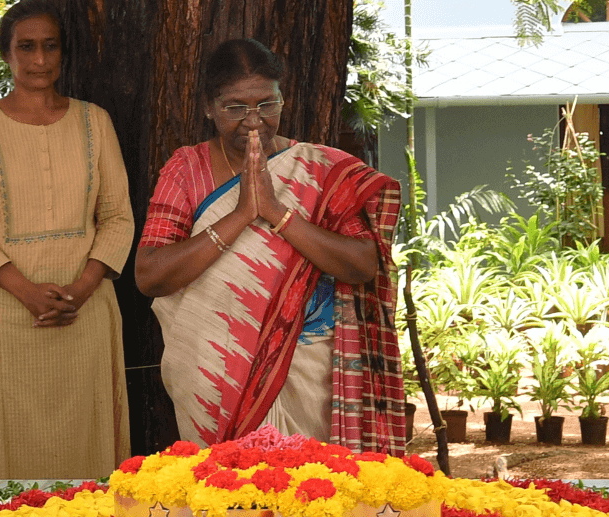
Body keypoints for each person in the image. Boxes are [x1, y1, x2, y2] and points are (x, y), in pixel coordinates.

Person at [135, 38, 406, 455]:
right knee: (230, 498)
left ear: (283, 99)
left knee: (312, 498)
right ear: (209, 107)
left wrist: (277, 212)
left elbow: (362, 264)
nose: (253, 121)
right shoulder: (187, 170)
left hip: (307, 369)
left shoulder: (321, 170)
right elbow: (150, 275)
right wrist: (243, 213)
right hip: (213, 373)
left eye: (267, 104)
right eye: (235, 107)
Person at [0, 0, 133, 479]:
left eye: (50, 46)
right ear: (7, 53)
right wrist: (28, 292)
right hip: (2, 318)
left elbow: (117, 218)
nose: (40, 60)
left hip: (85, 313)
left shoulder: (96, 122)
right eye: (26, 47)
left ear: (63, 52)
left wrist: (81, 290)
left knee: (88, 464)